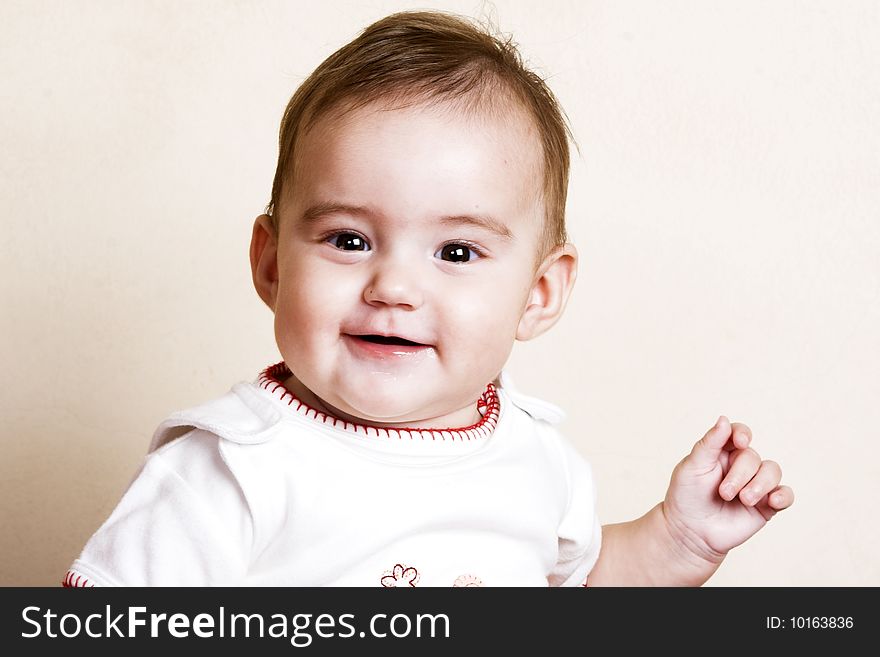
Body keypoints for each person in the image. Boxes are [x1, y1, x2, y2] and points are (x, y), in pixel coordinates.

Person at [63, 10, 793, 588]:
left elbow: (583, 586)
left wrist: (678, 538)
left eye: (456, 252)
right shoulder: (230, 470)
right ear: (271, 264)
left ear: (538, 294)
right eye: (349, 239)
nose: (395, 288)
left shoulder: (537, 458)